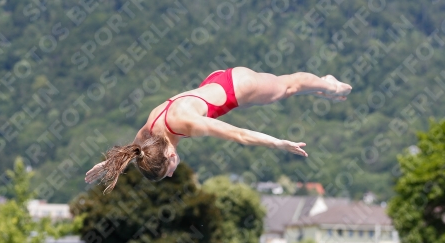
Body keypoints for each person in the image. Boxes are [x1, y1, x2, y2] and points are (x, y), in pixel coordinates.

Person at [85, 67, 352, 193]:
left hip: (238, 88)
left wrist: (278, 143)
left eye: (167, 172)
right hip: (211, 86)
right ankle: (325, 87)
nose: (170, 175)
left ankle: (330, 85)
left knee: (289, 87)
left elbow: (239, 134)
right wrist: (108, 165)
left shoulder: (186, 123)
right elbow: (132, 152)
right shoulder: (147, 138)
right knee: (287, 88)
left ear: (171, 157)